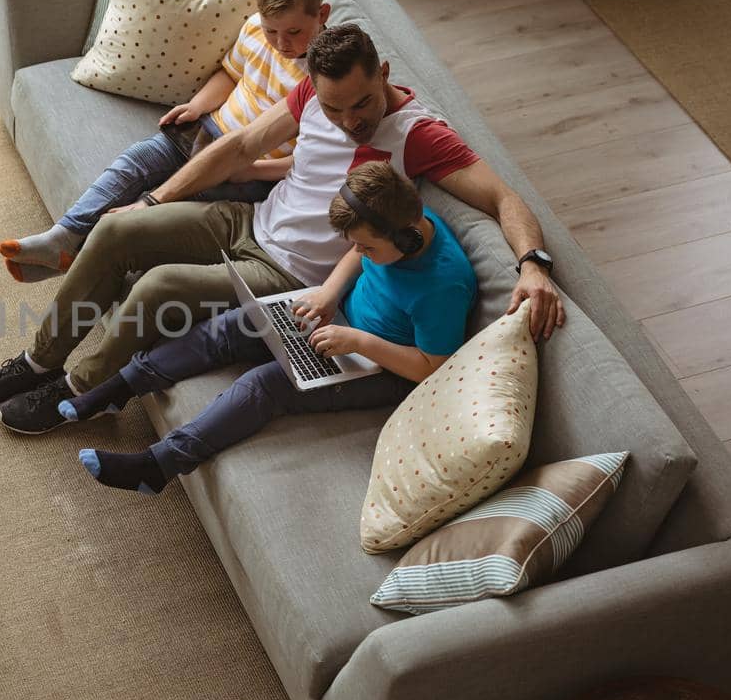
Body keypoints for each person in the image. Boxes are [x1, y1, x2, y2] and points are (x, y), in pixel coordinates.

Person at [0, 22, 564, 435]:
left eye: (362, 104)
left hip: (288, 272)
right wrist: (151, 199)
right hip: (249, 220)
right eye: (334, 108)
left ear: (382, 72)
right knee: (114, 232)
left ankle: (75, 392)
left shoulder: (419, 135)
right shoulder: (312, 92)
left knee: (159, 284)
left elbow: (504, 196)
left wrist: (533, 264)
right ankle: (37, 361)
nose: (350, 120)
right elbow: (243, 145)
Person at [63, 162, 477, 493]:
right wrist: (329, 293)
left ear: (405, 241)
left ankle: (157, 466)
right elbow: (357, 255)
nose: (359, 252)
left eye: (368, 246)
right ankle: (119, 389)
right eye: (356, 243)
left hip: (383, 370)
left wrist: (359, 341)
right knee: (232, 325)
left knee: (264, 386)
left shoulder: (444, 285)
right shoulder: (403, 218)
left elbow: (430, 367)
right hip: (339, 323)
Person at [0, 0, 330, 281]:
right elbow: (231, 73)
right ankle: (63, 235)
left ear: (322, 15)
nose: (281, 43)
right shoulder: (256, 28)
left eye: (294, 32)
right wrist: (197, 106)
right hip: (207, 130)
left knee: (170, 208)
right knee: (135, 163)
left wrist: (255, 171)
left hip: (250, 167)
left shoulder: (327, 76)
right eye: (273, 30)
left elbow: (311, 159)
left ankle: (82, 254)